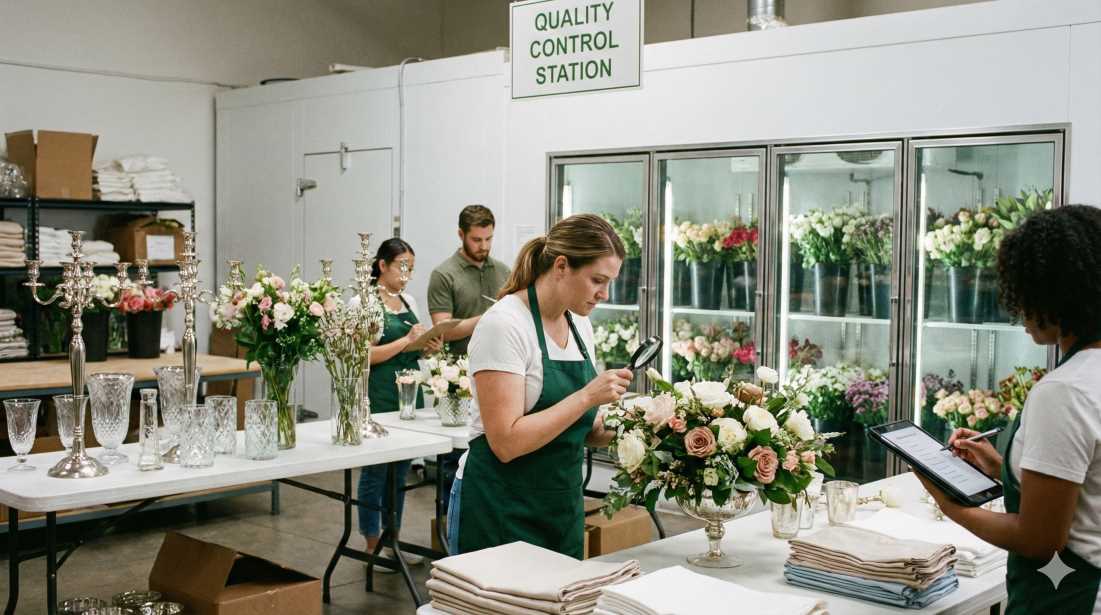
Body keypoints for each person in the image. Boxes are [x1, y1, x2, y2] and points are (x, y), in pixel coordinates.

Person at [919, 205, 1101, 613]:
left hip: (1067, 599)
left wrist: (952, 506)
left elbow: (1039, 539)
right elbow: (1087, 493)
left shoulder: (1065, 392)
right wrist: (1002, 467)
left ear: (1055, 294)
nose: (1017, 310)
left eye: (1024, 294)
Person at [446, 213, 634, 557]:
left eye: (610, 282)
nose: (604, 294)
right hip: (499, 508)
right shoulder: (504, 325)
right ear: (561, 266)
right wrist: (586, 396)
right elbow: (506, 442)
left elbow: (584, 430)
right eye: (597, 280)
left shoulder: (579, 324)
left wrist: (641, 427)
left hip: (560, 510)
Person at [356, 237, 442, 567]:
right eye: (402, 267)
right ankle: (370, 542)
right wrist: (406, 341)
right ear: (382, 265)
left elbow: (410, 346)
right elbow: (363, 355)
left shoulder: (407, 301)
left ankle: (393, 539)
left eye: (412, 269)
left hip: (409, 395)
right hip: (379, 394)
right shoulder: (364, 303)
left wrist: (425, 346)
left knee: (401, 470)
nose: (407, 275)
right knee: (376, 471)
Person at [427, 205, 511, 356]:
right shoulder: (443, 274)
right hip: (459, 369)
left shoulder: (504, 271)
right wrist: (489, 317)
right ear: (461, 234)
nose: (484, 246)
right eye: (476, 240)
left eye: (489, 239)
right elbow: (443, 331)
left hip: (501, 360)